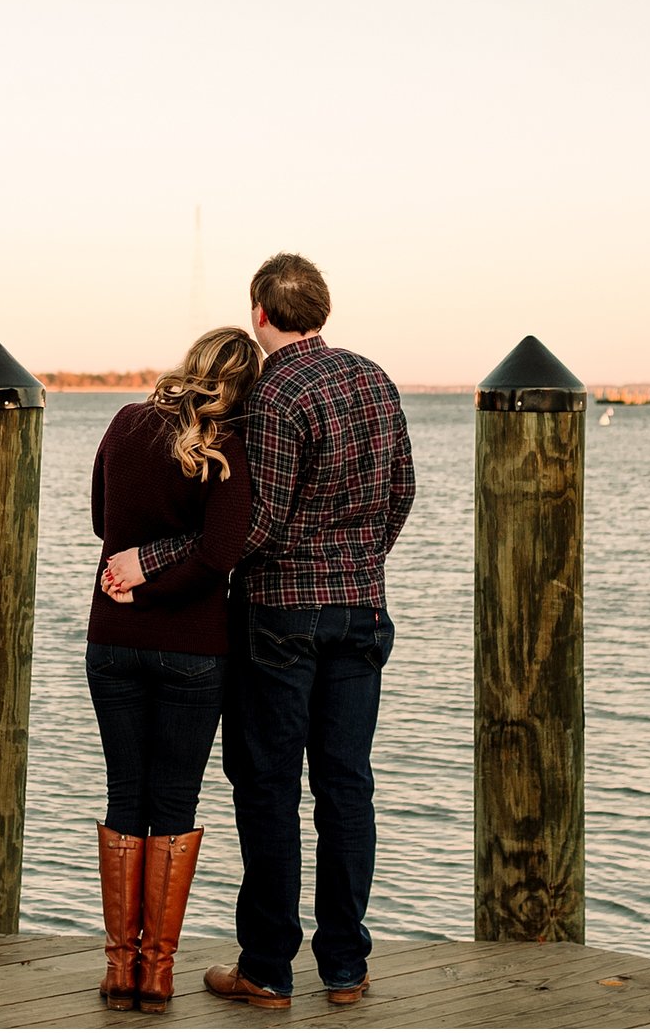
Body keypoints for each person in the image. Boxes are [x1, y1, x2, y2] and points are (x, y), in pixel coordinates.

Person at [102, 253, 415, 1011]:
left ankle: (268, 967)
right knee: (348, 787)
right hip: (363, 611)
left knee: (269, 787)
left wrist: (153, 556)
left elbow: (252, 525)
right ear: (322, 309)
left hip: (281, 616)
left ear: (261, 314)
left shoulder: (274, 391)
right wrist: (359, 561)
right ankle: (344, 965)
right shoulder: (375, 377)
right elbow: (402, 491)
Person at [87, 326, 262, 1012]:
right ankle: (156, 971)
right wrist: (159, 584)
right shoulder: (228, 446)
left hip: (114, 635)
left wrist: (134, 581)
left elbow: (103, 518)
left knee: (124, 792)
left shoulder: (126, 421)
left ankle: (119, 967)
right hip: (193, 646)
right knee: (174, 802)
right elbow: (219, 557)